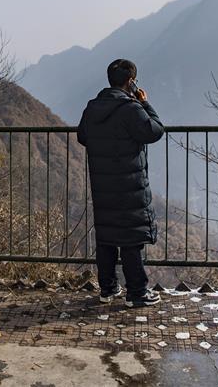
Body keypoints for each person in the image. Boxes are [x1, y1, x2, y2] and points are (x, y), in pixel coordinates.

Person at [77, 59, 165, 308]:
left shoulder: (93, 107)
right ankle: (136, 292)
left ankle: (107, 289)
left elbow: (83, 135)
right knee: (130, 237)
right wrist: (144, 102)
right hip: (129, 183)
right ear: (131, 82)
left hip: (102, 182)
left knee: (106, 235)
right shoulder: (131, 108)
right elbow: (155, 131)